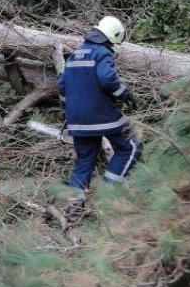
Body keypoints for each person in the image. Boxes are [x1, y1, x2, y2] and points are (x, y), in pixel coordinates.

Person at [57, 16, 141, 209]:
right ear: (112, 36)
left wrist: (68, 113)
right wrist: (125, 94)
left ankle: (73, 207)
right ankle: (107, 193)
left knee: (84, 160)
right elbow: (107, 79)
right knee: (130, 147)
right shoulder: (102, 53)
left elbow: (62, 87)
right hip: (103, 116)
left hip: (77, 121)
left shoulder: (74, 55)